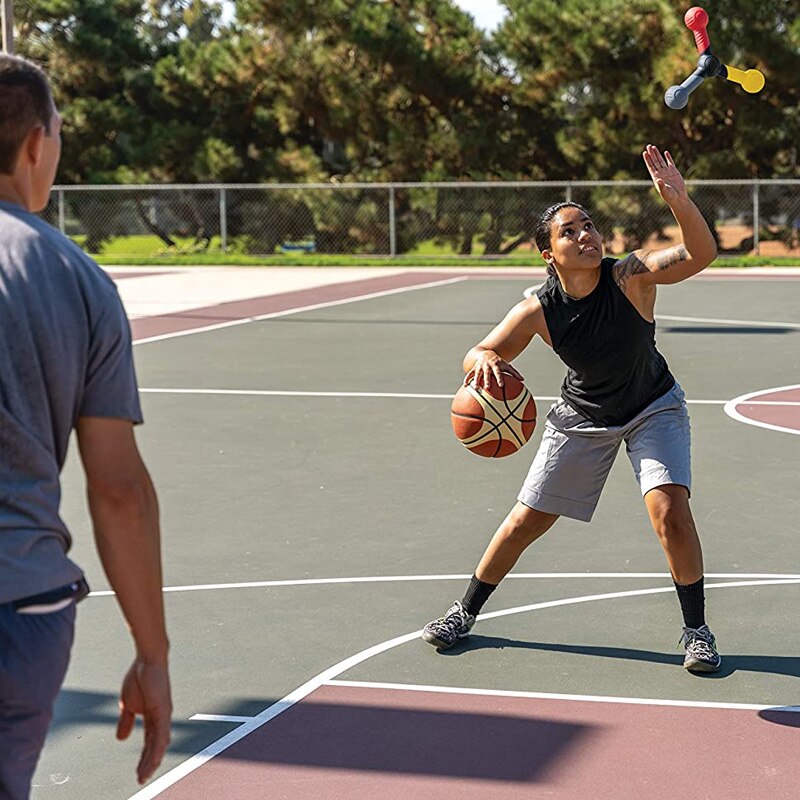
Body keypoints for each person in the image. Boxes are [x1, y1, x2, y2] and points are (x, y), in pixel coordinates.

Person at [423, 145, 722, 673]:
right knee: (525, 521)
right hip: (584, 417)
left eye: (588, 225)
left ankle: (696, 630)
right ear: (549, 255)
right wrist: (485, 361)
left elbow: (701, 254)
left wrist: (679, 201)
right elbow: (478, 350)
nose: (586, 234)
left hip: (653, 405)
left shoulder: (630, 276)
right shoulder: (539, 310)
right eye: (569, 231)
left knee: (669, 508)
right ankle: (463, 611)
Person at [0, 54, 171, 799]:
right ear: (37, 143)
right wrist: (152, 655)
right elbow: (118, 490)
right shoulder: (75, 278)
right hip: (20, 609)